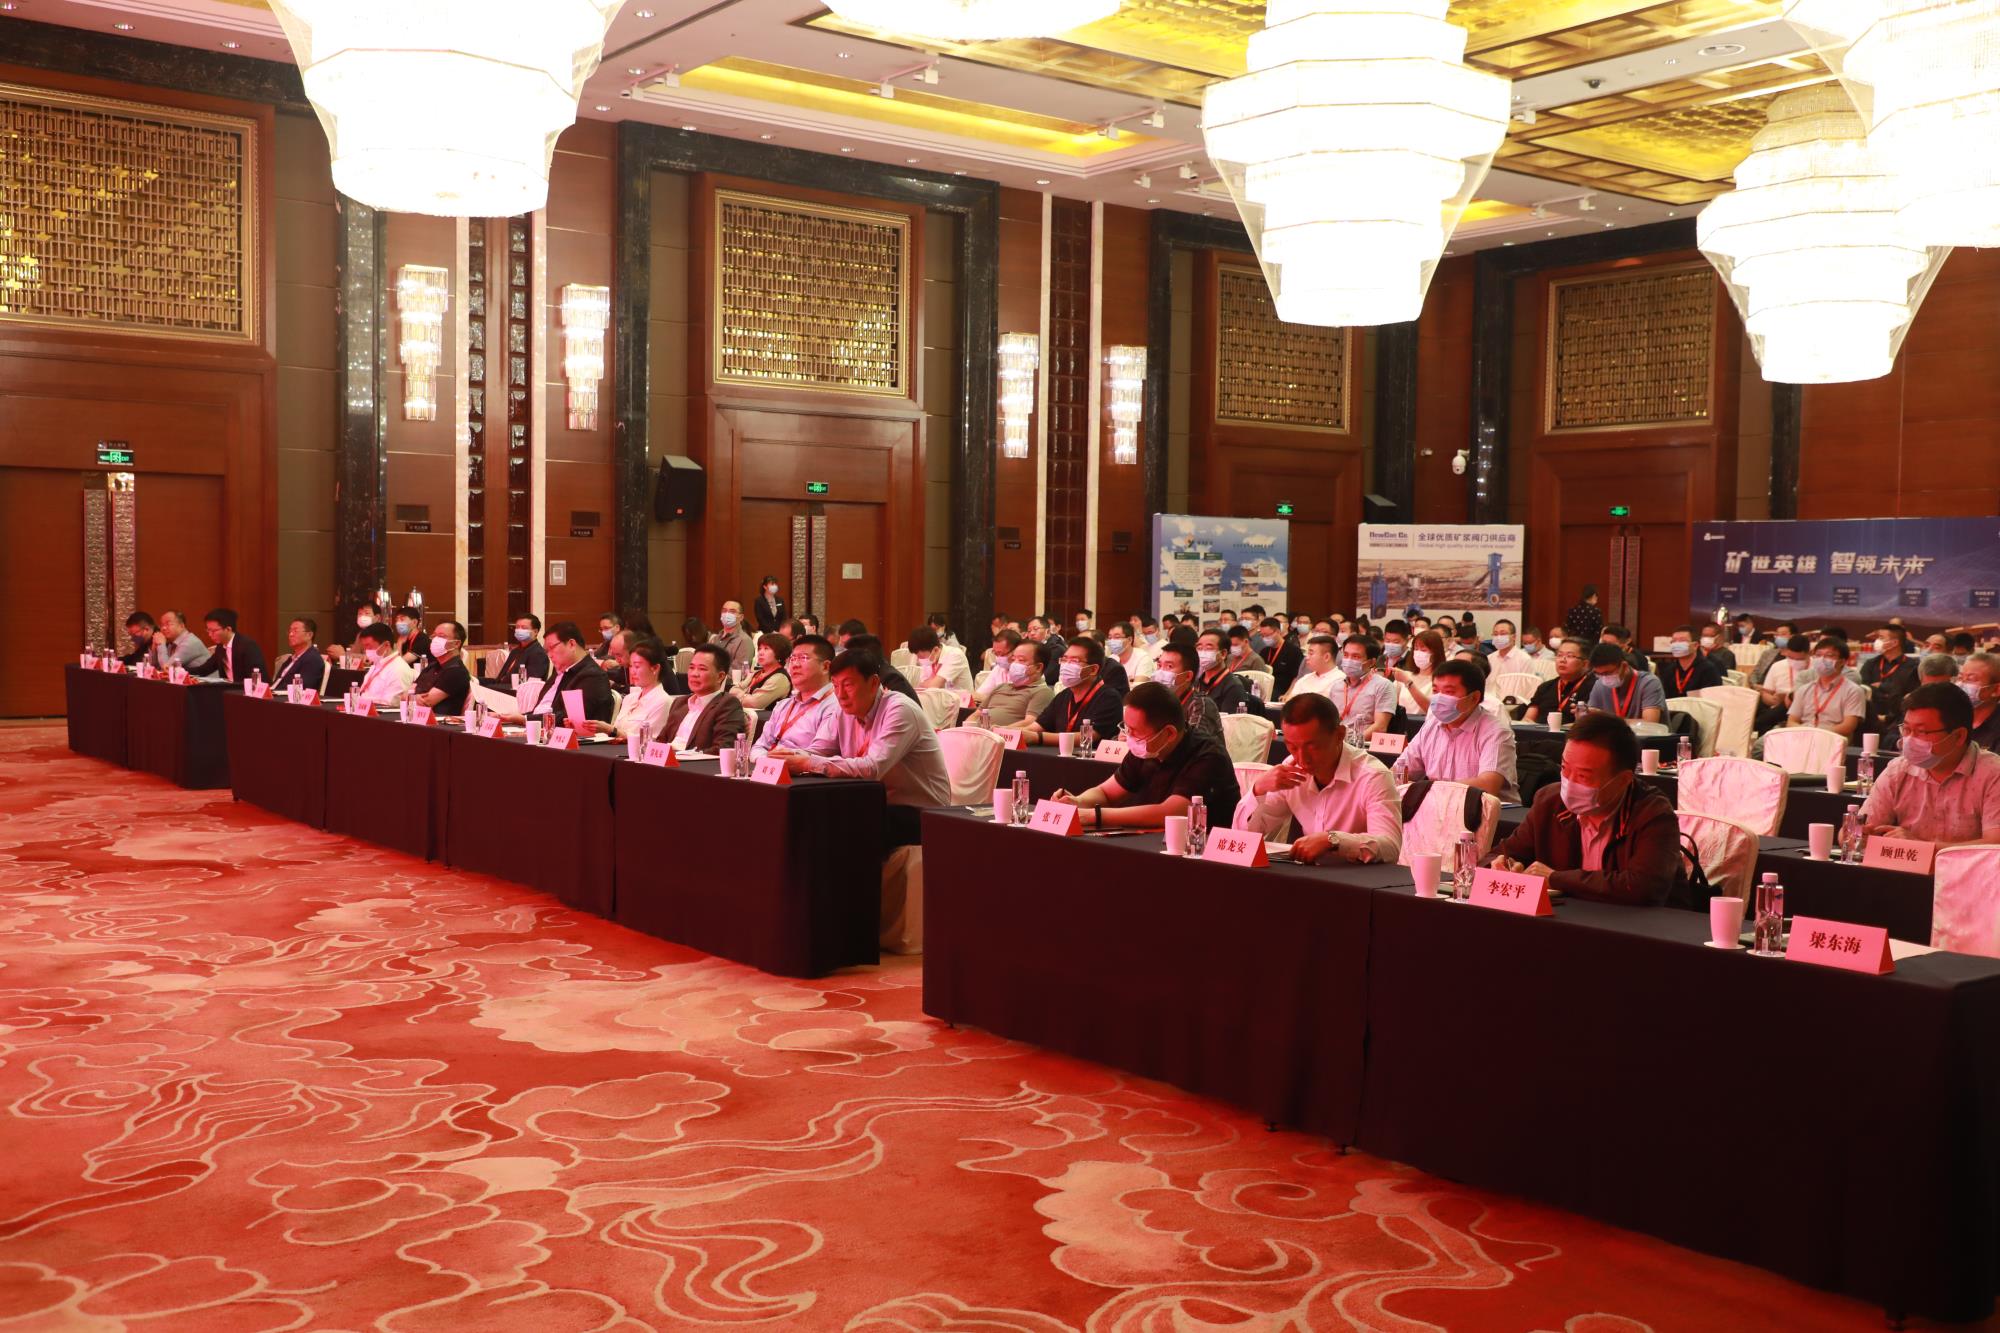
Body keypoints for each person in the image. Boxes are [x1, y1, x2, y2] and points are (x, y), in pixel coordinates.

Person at [1490, 713, 1688, 907]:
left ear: (1623, 780)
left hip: (1645, 924)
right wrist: (1505, 865)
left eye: (1583, 776)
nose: (1569, 782)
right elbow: (1500, 855)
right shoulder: (1550, 801)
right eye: (1565, 768)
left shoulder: (1652, 813)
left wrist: (1556, 878)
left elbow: (1643, 887)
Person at [772, 649, 953, 847]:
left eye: (848, 685)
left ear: (874, 683)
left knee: (837, 826)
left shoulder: (899, 710)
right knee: (809, 815)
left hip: (921, 813)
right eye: (835, 685)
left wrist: (805, 762)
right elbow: (818, 750)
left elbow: (872, 769)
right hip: (871, 802)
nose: (840, 695)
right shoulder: (843, 711)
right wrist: (788, 756)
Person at [1230, 693, 1402, 863]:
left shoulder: (1373, 776)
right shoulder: (1292, 770)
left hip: (1358, 876)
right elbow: (1242, 836)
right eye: (1292, 747)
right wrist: (1259, 789)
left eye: (1312, 747)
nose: (1302, 758)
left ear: (1339, 735)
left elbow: (1390, 847)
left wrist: (1333, 841)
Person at [1047, 682, 1240, 829]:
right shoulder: (1145, 749)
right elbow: (1106, 793)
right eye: (1126, 728)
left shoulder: (1208, 755)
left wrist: (1093, 816)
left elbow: (1170, 812)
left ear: (1169, 733)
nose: (1128, 737)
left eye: (1135, 731)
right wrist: (1078, 802)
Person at [1857, 683, 2000, 846]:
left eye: (1922, 732)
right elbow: (1857, 831)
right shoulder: (1898, 770)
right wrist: (1860, 835)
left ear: (1959, 736)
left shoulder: (1993, 773)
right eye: (1906, 729)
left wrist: (1921, 848)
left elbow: (1995, 844)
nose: (1909, 740)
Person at [1392, 659, 1519, 802]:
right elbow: (1399, 772)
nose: (1439, 698)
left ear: (1474, 698)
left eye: (1449, 692)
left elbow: (1488, 785)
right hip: (1438, 806)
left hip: (1485, 811)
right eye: (1435, 691)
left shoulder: (1495, 732)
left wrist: (1426, 789)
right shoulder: (1431, 726)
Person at [1014, 637, 1124, 746]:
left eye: (1074, 661)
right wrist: (1007, 731)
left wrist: (1037, 737)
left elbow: (1088, 737)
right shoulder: (1064, 695)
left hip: (1089, 755)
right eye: (1064, 660)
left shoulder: (1108, 697)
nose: (1066, 665)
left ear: (1093, 669)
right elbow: (1036, 727)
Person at [754, 634, 843, 758]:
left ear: (825, 667)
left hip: (801, 769)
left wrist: (776, 760)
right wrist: (767, 760)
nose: (795, 664)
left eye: (803, 658)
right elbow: (759, 747)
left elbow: (819, 753)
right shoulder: (783, 705)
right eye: (793, 658)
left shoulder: (835, 706)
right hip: (770, 765)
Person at [513, 622, 616, 726]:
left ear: (571, 644)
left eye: (552, 648)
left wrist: (525, 719)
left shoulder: (593, 676)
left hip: (571, 733)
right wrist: (521, 718)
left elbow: (569, 718)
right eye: (547, 651)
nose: (549, 655)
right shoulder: (560, 670)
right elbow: (540, 710)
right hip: (541, 728)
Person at [653, 644, 746, 752]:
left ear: (720, 676)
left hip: (692, 761)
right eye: (691, 668)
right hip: (667, 758)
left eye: (702, 669)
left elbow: (723, 748)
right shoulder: (680, 703)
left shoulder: (727, 705)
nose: (694, 674)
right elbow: (661, 741)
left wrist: (682, 755)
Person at [583, 639, 672, 742]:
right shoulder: (630, 698)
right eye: (631, 666)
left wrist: (611, 730)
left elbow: (650, 740)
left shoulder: (663, 701)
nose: (632, 671)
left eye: (637, 666)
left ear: (655, 668)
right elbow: (615, 732)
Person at [1786, 637, 1867, 740]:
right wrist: (1805, 733)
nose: (1821, 660)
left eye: (1829, 656)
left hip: (1832, 740)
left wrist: (1818, 734)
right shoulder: (1804, 689)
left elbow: (1848, 726)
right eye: (1818, 655)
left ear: (1842, 661)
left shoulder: (1853, 690)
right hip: (1803, 738)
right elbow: (1791, 721)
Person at [1327, 635, 1396, 741]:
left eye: (1356, 657)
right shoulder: (1336, 686)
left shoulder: (1383, 686)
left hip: (1362, 745)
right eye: (1346, 655)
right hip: (1336, 743)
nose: (1348, 661)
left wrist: (1351, 743)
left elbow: (1380, 727)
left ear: (1372, 662)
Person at [1152, 641, 1223, 740]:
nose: (1160, 672)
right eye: (1159, 665)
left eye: (1169, 666)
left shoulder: (1200, 704)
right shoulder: (1156, 701)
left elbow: (1193, 743)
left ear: (1188, 676)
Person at [977, 637, 1054, 727]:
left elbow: (1030, 723)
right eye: (1013, 659)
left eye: (1021, 660)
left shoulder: (1042, 692)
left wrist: (999, 731)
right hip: (978, 732)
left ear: (1038, 667)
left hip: (1002, 735)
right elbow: (975, 715)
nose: (1014, 664)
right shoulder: (1001, 687)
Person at [1585, 643, 1665, 724]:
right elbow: (1591, 719)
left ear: (1624, 666)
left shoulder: (1649, 682)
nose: (1604, 678)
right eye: (1598, 674)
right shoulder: (1599, 684)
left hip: (1646, 732)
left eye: (1608, 673)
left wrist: (1608, 719)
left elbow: (1650, 723)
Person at [1862, 626, 1920, 732]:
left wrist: (1881, 686)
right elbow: (1864, 688)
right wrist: (1891, 689)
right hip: (1871, 715)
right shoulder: (1871, 664)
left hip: (1898, 718)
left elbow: (1908, 694)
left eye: (1881, 638)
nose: (1877, 641)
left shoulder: (1913, 667)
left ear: (1894, 643)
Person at [410, 620, 472, 715]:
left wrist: (412, 697)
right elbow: (405, 695)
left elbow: (427, 702)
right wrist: (414, 697)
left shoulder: (456, 671)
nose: (435, 640)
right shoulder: (431, 666)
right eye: (434, 636)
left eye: (441, 636)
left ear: (456, 644)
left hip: (440, 721)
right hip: (417, 716)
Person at [1525, 639, 1593, 724]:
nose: (1562, 660)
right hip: (1540, 731)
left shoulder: (1593, 687)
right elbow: (1527, 719)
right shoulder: (1545, 687)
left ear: (1585, 664)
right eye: (1559, 655)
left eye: (1569, 656)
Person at [188, 608, 265, 683]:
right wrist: (181, 670)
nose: (210, 634)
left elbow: (257, 677)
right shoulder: (220, 647)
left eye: (214, 631)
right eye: (208, 630)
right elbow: (204, 669)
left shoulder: (247, 646)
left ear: (228, 629)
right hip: (229, 689)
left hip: (246, 689)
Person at [1755, 634, 1813, 732]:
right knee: (1760, 722)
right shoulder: (1778, 666)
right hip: (1779, 708)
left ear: (1809, 653)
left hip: (1807, 710)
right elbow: (1765, 693)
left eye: (1799, 659)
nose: (1794, 662)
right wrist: (1773, 700)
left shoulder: (1817, 669)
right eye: (1791, 658)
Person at [352, 624, 417, 705]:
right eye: (365, 647)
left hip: (379, 711)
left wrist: (363, 702)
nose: (366, 651)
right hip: (366, 708)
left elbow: (391, 704)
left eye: (369, 647)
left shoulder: (399, 669)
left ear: (386, 645)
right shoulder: (377, 664)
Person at [1193, 629, 1254, 714]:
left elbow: (1230, 720)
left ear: (1223, 654)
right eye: (1199, 648)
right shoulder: (1196, 683)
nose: (1202, 653)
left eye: (1208, 648)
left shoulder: (1233, 686)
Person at [1388, 628, 1447, 715]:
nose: (1418, 653)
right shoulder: (1404, 675)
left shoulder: (1442, 681)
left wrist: (1408, 683)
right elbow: (1388, 705)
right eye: (1416, 649)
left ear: (1435, 653)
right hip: (1403, 722)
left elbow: (1432, 710)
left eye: (1423, 650)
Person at [731, 632, 794, 712]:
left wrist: (740, 694)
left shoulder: (780, 678)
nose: (760, 653)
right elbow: (732, 690)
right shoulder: (757, 673)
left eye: (766, 648)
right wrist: (745, 696)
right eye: (759, 648)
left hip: (765, 719)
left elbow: (754, 703)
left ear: (779, 653)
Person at [1660, 625, 1724, 699]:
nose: (1677, 644)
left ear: (1695, 645)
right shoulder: (1669, 670)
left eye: (1682, 641)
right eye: (1674, 641)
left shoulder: (1708, 669)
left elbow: (1712, 700)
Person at [486, 613, 551, 685]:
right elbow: (500, 680)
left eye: (524, 628)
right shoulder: (515, 651)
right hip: (500, 688)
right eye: (517, 627)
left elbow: (527, 685)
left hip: (514, 691)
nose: (519, 630)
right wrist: (478, 680)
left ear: (535, 632)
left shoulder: (538, 654)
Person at [906, 626, 973, 694]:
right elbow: (922, 685)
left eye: (921, 657)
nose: (918, 660)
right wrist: (930, 683)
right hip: (942, 698)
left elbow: (933, 687)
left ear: (935, 650)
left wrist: (931, 683)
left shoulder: (955, 655)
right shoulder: (931, 659)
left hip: (962, 700)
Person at [1960, 652, 2000, 753]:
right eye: (1960, 677)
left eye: (1971, 679)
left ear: (1996, 690)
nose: (1961, 684)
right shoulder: (1949, 717)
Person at [271, 618, 325, 692]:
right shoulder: (290, 659)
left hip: (287, 697)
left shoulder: (313, 659)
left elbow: (302, 687)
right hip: (274, 694)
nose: (291, 634)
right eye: (290, 631)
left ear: (309, 635)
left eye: (295, 631)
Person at [1282, 633, 1340, 702]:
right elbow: (1290, 703)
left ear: (1326, 657)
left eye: (1311, 653)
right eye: (1307, 653)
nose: (1307, 658)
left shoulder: (1340, 681)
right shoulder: (1305, 679)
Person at [1103, 622, 1155, 686]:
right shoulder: (1112, 658)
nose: (1112, 641)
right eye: (1110, 638)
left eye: (1117, 637)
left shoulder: (1143, 658)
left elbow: (1137, 687)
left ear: (1130, 639)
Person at [710, 600, 754, 672]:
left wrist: (714, 675)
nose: (727, 614)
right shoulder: (715, 638)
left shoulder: (744, 640)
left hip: (727, 678)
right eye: (724, 611)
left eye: (732, 612)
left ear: (741, 617)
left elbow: (739, 670)